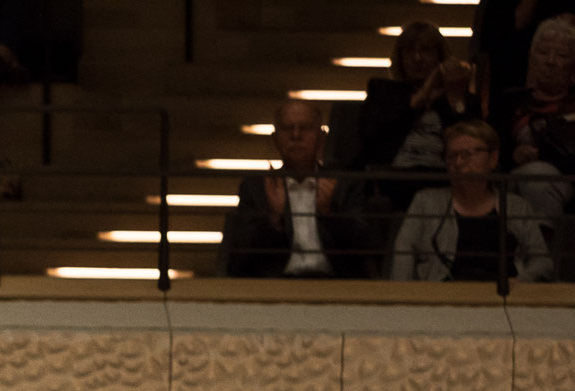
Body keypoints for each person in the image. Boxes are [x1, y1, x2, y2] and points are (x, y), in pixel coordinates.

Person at [218, 99, 379, 278]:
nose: (296, 135)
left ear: (321, 138)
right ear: (275, 139)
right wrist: (273, 219)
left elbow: (365, 246)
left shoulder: (343, 184)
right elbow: (239, 256)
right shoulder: (256, 187)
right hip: (276, 287)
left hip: (334, 284)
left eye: (305, 128)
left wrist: (330, 214)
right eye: (288, 128)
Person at [391, 119, 556, 280]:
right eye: (452, 155)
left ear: (492, 159)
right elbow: (403, 251)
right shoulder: (425, 202)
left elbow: (542, 260)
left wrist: (520, 283)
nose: (459, 162)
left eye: (468, 154)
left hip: (503, 297)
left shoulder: (516, 206)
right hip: (443, 297)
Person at [354, 21, 481, 215]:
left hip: (442, 178)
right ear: (400, 58)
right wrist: (419, 99)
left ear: (439, 56)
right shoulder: (383, 92)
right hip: (394, 179)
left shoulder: (456, 97)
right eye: (409, 52)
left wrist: (455, 99)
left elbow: (471, 141)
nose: (418, 58)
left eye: (427, 51)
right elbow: (371, 135)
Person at [499, 16, 575, 221]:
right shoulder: (510, 101)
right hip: (515, 180)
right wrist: (513, 155)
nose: (550, 61)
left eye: (561, 55)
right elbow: (490, 147)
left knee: (540, 175)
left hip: (568, 180)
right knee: (535, 176)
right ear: (532, 58)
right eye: (543, 53)